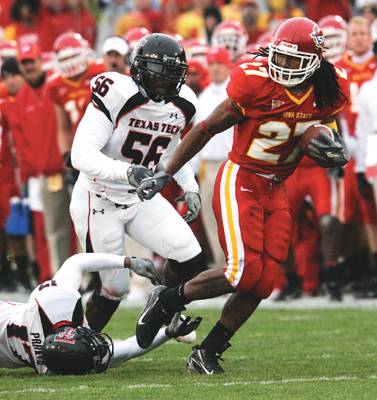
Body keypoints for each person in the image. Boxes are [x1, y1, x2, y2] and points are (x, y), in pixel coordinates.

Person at [134, 17, 350, 374]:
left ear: (315, 63)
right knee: (241, 271)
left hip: (276, 186)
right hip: (242, 179)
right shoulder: (256, 80)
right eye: (279, 57)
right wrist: (165, 173)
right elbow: (205, 128)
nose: (283, 67)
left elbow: (322, 124)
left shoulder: (331, 86)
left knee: (264, 280)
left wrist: (328, 141)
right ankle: (167, 300)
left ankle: (208, 351)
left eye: (294, 62)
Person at [69, 33, 205, 333]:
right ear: (139, 68)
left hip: (139, 197)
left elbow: (171, 148)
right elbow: (80, 155)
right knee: (115, 288)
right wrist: (126, 172)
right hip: (98, 197)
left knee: (189, 256)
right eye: (157, 73)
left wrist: (189, 185)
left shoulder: (184, 103)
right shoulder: (116, 91)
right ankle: (80, 341)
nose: (163, 82)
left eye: (171, 74)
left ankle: (161, 304)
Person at [0, 252, 199, 375]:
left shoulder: (50, 302)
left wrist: (128, 262)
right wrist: (167, 333)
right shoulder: (52, 364)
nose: (91, 336)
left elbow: (76, 262)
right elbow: (127, 350)